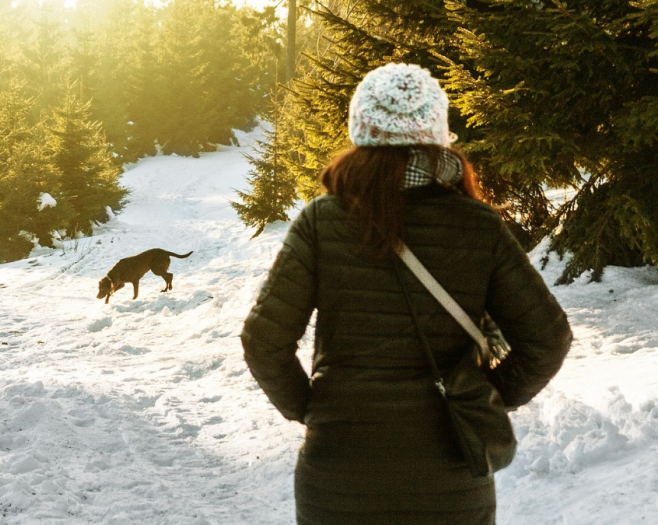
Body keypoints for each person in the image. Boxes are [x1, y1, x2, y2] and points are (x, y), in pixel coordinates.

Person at [240, 63, 573, 525]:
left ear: (362, 131)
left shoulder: (321, 220)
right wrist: (485, 397)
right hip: (451, 477)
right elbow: (548, 339)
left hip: (339, 475)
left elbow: (263, 340)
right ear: (437, 135)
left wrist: (312, 408)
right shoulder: (479, 226)